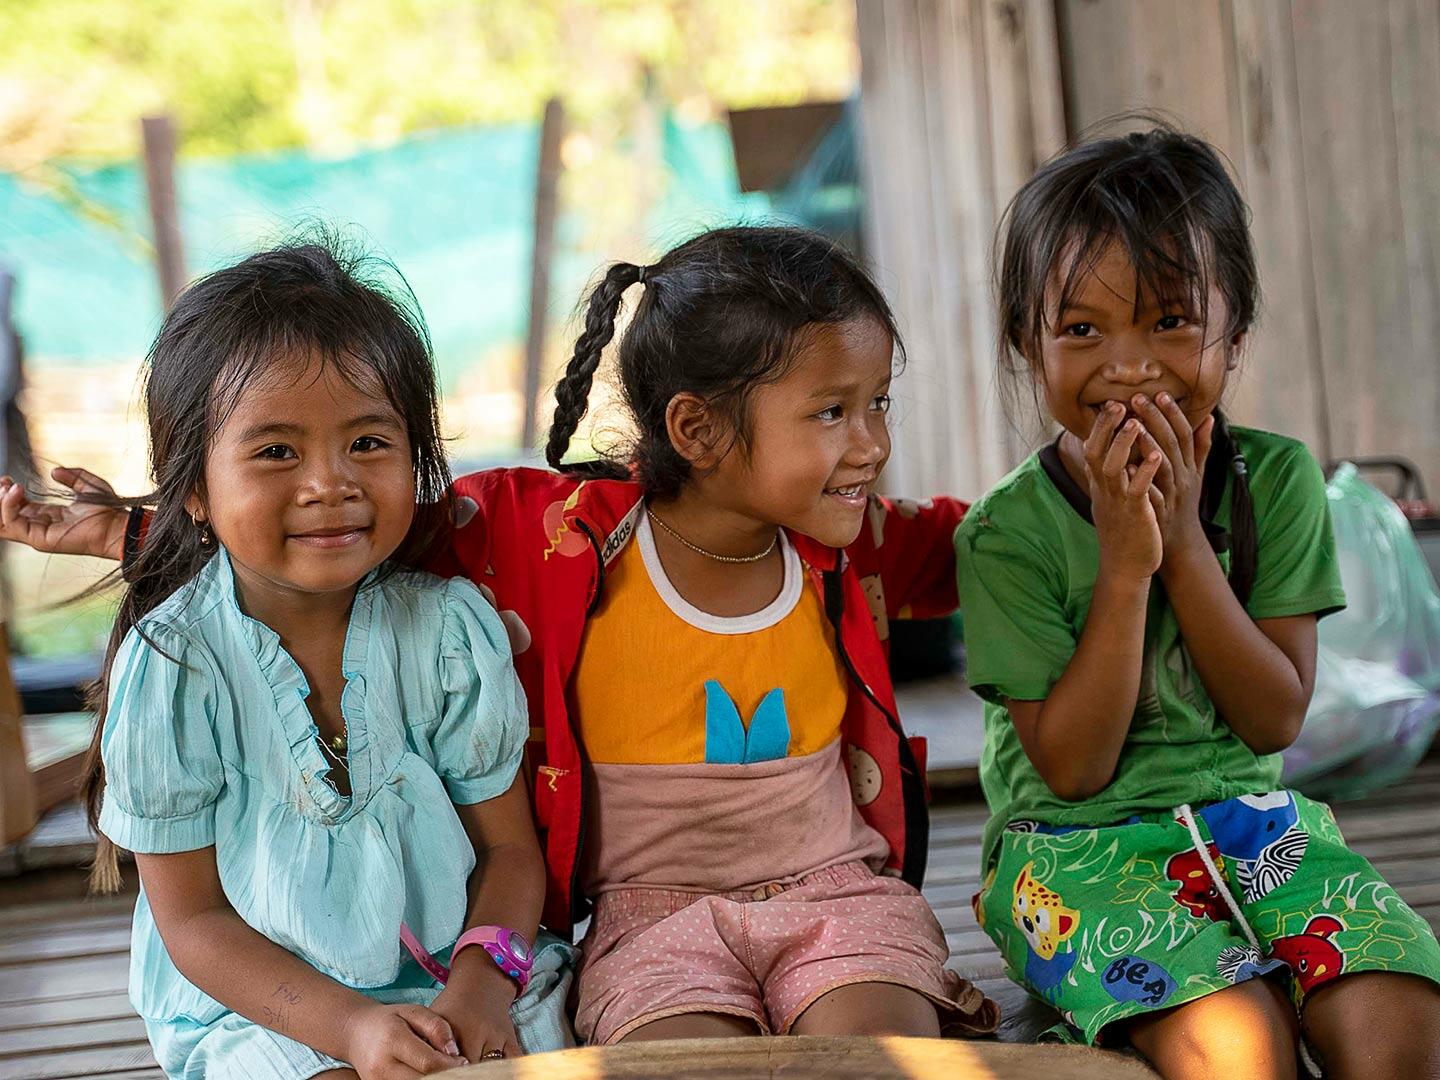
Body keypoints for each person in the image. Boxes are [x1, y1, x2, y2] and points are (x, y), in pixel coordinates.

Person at [6, 226, 998, 1049]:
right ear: (697, 429)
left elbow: (999, 550)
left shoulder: (855, 546)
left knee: (875, 1063)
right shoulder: (554, 538)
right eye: (833, 412)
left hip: (736, 918)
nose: (871, 442)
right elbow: (324, 538)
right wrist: (146, 532)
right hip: (615, 930)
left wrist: (1108, 502)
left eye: (878, 405)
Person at [2, 238, 572, 1079]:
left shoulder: (449, 629)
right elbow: (193, 925)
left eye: (369, 443)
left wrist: (481, 986)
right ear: (192, 488)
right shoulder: (174, 667)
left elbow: (510, 855)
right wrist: (353, 1031)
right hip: (262, 1007)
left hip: (466, 975)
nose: (329, 483)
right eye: (276, 452)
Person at [957, 124, 1440, 1078]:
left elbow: (1275, 712)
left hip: (1257, 825)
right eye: (1082, 329)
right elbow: (1072, 769)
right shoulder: (1005, 533)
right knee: (1241, 1045)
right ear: (1028, 342)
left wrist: (1184, 546)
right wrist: (1126, 567)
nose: (1129, 365)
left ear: (1237, 334)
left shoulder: (1277, 481)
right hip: (1070, 852)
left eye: (1172, 322)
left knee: (1399, 1026)